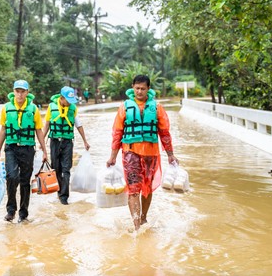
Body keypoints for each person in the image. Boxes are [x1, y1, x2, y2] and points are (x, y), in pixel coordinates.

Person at [106, 75, 178, 231]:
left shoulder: (157, 107)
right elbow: (117, 133)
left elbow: (164, 133)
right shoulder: (124, 107)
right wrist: (112, 156)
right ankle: (137, 225)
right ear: (132, 87)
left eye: (143, 89)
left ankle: (144, 217)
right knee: (133, 189)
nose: (139, 91)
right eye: (137, 88)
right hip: (130, 153)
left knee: (147, 188)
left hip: (151, 154)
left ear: (148, 89)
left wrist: (170, 154)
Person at [0, 79, 48, 223]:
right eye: (17, 91)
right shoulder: (6, 108)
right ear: (13, 92)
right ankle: (11, 210)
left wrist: (44, 151)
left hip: (27, 148)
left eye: (22, 91)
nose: (19, 94)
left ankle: (23, 213)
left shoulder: (33, 109)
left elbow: (38, 130)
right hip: (11, 147)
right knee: (12, 177)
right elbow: (3, 129)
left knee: (25, 181)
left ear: (27, 93)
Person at [42, 86, 91, 205]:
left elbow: (78, 125)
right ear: (61, 98)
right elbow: (47, 125)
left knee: (66, 169)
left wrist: (85, 141)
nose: (70, 103)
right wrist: (41, 142)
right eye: (68, 101)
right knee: (56, 168)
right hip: (54, 141)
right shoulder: (51, 107)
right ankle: (59, 191)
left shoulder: (73, 109)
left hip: (68, 142)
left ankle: (64, 197)